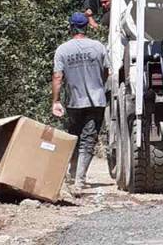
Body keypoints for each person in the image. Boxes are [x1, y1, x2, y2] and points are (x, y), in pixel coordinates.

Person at [51, 12, 109, 194]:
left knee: (74, 137)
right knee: (88, 139)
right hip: (96, 101)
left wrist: (56, 101)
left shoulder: (63, 50)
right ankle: (79, 180)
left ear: (71, 27)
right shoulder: (98, 47)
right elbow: (107, 72)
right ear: (85, 27)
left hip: (74, 102)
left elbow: (57, 77)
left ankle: (72, 173)